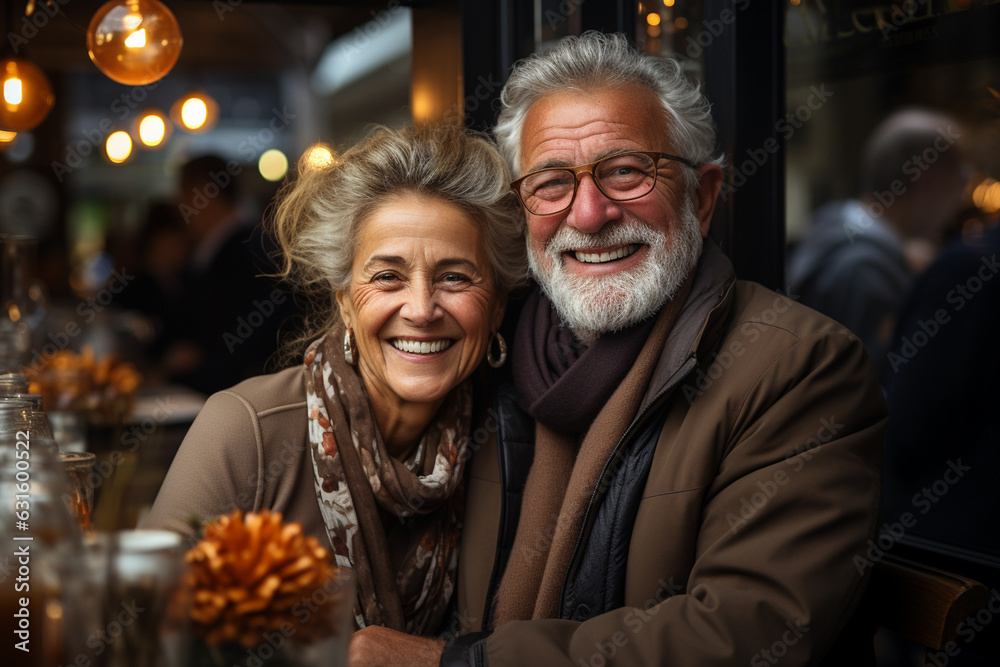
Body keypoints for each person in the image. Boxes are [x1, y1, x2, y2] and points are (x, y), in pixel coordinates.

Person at [349, 32, 885, 667]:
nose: (589, 213)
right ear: (522, 211)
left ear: (703, 197)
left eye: (626, 171)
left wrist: (455, 664)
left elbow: (746, 637)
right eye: (551, 183)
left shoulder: (801, 367)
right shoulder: (488, 343)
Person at [143, 124, 527, 638]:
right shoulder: (247, 430)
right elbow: (146, 631)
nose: (420, 309)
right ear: (344, 300)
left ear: (497, 305)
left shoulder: (512, 441)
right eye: (387, 275)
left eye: (455, 276)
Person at [787, 108, 966, 384]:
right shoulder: (864, 270)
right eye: (959, 179)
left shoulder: (842, 233)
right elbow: (869, 395)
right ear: (928, 182)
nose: (961, 198)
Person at [167, 154, 299, 395]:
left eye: (183, 193)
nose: (178, 204)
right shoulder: (238, 248)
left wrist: (180, 374)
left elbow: (238, 353)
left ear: (204, 193)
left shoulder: (245, 255)